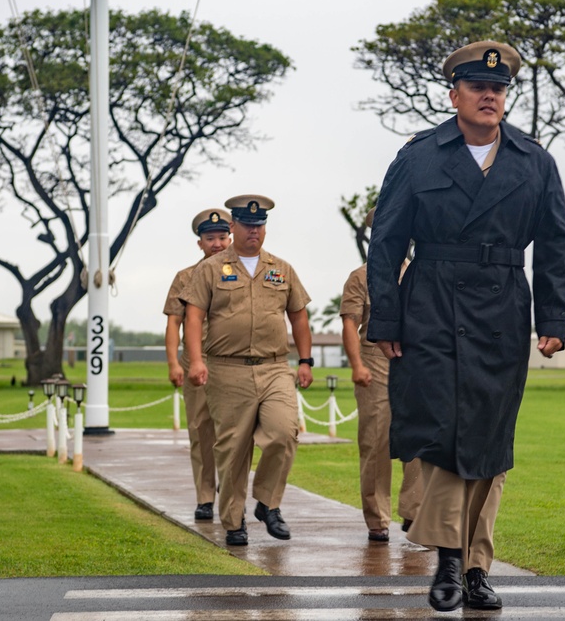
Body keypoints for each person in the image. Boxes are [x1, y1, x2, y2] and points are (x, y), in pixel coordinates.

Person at [366, 40, 565, 612]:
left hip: (504, 309)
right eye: (479, 87)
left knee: (489, 437)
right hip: (429, 305)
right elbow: (385, 244)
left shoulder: (535, 161)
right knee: (440, 431)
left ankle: (473, 567)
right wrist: (385, 315)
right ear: (453, 94)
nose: (489, 95)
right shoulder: (419, 157)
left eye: (499, 88)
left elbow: (556, 244)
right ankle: (454, 559)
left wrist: (552, 316)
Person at [181, 194, 314, 547]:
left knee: (284, 432)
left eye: (259, 226)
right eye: (247, 225)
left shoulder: (281, 268)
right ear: (233, 227)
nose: (254, 231)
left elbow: (298, 315)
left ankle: (268, 503)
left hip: (274, 368)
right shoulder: (210, 269)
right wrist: (195, 361)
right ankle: (233, 520)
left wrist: (305, 360)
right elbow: (193, 317)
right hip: (228, 370)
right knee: (232, 449)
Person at [340, 207, 422, 543]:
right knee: (376, 440)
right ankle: (377, 519)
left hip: (416, 360)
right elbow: (349, 323)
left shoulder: (420, 273)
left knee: (420, 438)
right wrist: (356, 364)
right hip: (375, 359)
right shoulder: (361, 276)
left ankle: (414, 511)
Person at [163, 207, 232, 522]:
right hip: (195, 361)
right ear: (200, 243)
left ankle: (232, 495)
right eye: (210, 238)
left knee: (235, 433)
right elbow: (173, 324)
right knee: (201, 430)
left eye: (221, 237)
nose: (217, 243)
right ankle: (206, 496)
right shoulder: (185, 277)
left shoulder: (242, 272)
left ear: (230, 237)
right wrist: (173, 363)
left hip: (232, 361)